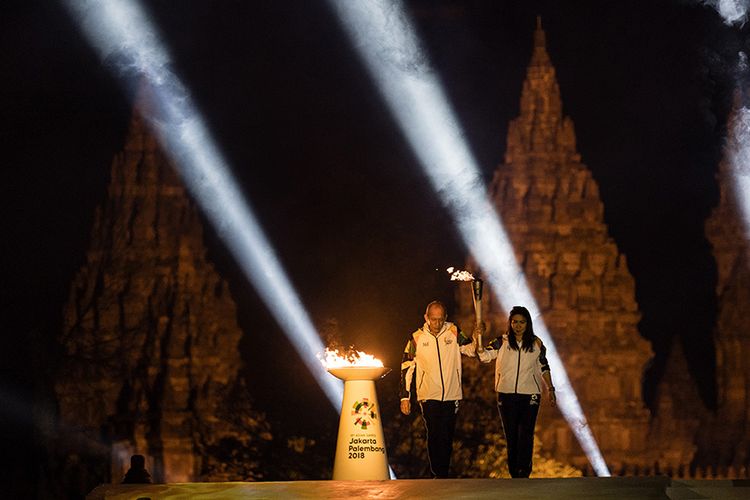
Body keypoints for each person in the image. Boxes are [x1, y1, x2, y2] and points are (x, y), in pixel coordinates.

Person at [399, 300, 479, 478]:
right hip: (428, 395)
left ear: (446, 318)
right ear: (426, 317)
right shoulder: (416, 338)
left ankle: (443, 472)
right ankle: (439, 473)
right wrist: (405, 397)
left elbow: (472, 351)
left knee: (447, 436)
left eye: (440, 319)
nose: (437, 324)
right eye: (433, 319)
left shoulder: (454, 331)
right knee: (435, 433)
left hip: (452, 395)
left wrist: (477, 335)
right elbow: (406, 366)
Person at [478, 305, 555, 478]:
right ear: (510, 323)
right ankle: (514, 472)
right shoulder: (501, 342)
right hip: (506, 395)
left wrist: (550, 388)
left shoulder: (536, 343)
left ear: (528, 324)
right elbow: (484, 356)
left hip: (530, 395)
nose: (518, 325)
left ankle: (524, 472)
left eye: (522, 322)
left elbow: (544, 366)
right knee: (511, 435)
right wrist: (479, 336)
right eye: (514, 322)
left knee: (526, 434)